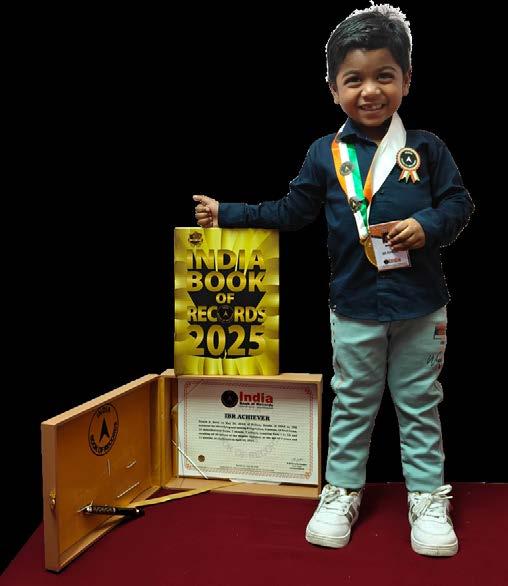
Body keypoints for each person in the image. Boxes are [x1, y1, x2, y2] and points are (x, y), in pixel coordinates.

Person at [192, 3, 473, 557]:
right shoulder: (325, 154)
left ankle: (426, 498)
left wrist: (428, 225)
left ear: (406, 79)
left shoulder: (427, 148)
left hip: (421, 306)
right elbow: (291, 211)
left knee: (419, 402)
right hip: (354, 306)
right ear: (333, 89)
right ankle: (341, 491)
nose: (370, 91)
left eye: (384, 76)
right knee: (353, 403)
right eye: (354, 79)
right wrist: (228, 213)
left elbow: (459, 203)